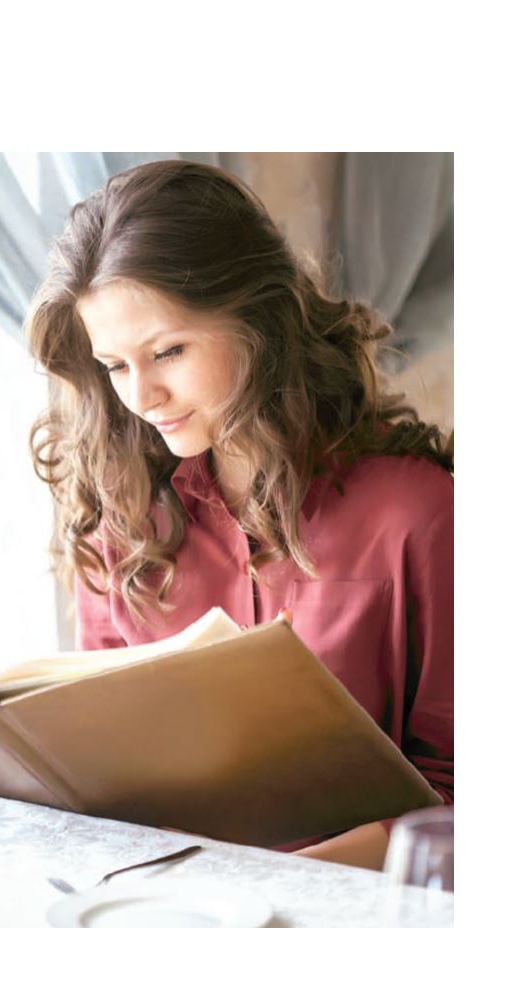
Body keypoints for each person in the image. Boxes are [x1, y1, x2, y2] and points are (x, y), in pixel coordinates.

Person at [24, 160, 452, 870]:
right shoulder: (120, 523)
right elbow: (106, 776)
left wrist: (265, 882)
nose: (142, 396)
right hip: (163, 901)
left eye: (167, 351)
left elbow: (460, 800)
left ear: (259, 319)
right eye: (115, 366)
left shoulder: (418, 515)